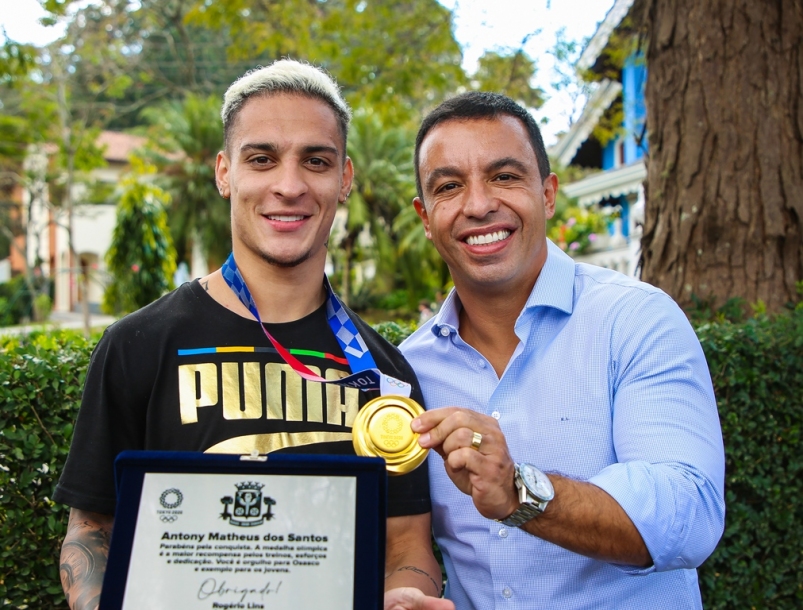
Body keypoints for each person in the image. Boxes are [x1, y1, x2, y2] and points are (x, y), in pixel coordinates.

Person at [54, 60, 452, 610]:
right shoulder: (138, 344)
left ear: (344, 180)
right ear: (224, 173)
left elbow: (407, 543)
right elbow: (91, 528)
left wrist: (404, 595)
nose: (288, 186)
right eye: (262, 159)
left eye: (316, 161)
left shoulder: (386, 374)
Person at [400, 91, 725, 609]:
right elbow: (405, 542)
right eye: (449, 186)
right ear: (425, 215)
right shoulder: (409, 372)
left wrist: (519, 493)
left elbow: (689, 517)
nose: (479, 204)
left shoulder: (636, 321)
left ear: (548, 194)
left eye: (505, 177)